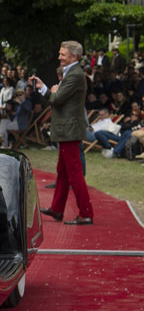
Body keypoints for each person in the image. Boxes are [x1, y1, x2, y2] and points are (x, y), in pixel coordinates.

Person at [30, 40, 94, 225]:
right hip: (67, 130)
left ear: (73, 56)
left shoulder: (75, 74)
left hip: (69, 131)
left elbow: (57, 99)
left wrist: (51, 90)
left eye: (62, 54)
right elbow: (56, 97)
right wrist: (47, 88)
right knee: (63, 171)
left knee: (74, 173)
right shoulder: (72, 73)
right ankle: (57, 209)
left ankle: (85, 213)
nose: (59, 57)